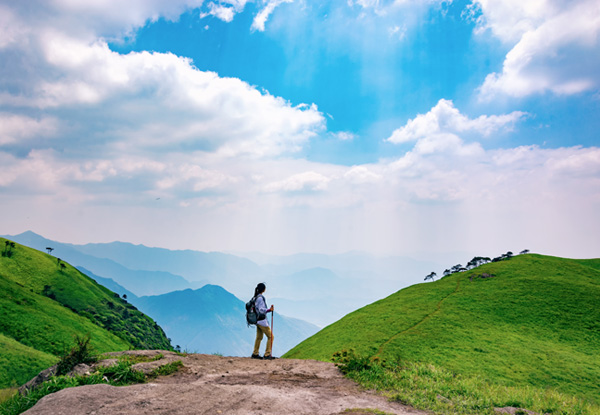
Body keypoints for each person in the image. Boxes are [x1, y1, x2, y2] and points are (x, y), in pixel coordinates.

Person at [251, 282, 275, 360]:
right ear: (264, 290)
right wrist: (269, 310)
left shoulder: (255, 297)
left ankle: (255, 353)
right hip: (262, 321)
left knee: (259, 337)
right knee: (271, 336)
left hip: (257, 321)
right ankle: (267, 354)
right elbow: (261, 310)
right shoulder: (260, 298)